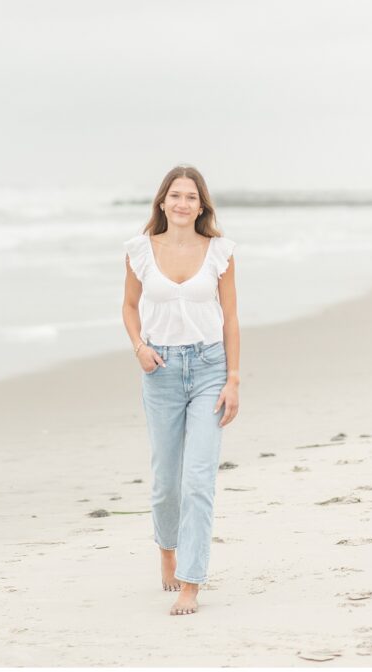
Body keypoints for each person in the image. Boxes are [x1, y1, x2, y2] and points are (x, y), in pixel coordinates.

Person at [121, 164, 240, 616]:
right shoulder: (140, 250)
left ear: (202, 204)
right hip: (162, 372)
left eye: (191, 196)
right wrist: (139, 348)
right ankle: (167, 551)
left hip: (210, 368)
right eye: (175, 195)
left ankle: (192, 580)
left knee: (198, 481)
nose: (183, 203)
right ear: (162, 201)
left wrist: (233, 379)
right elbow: (130, 307)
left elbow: (231, 318)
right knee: (166, 483)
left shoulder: (220, 252)